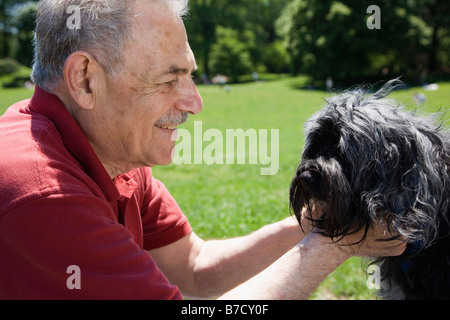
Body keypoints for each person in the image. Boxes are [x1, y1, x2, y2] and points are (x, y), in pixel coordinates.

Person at [0, 0, 405, 300]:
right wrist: (334, 245)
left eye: (190, 75)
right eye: (168, 79)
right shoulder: (41, 192)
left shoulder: (113, 153)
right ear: (86, 80)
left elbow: (191, 269)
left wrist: (319, 222)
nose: (194, 102)